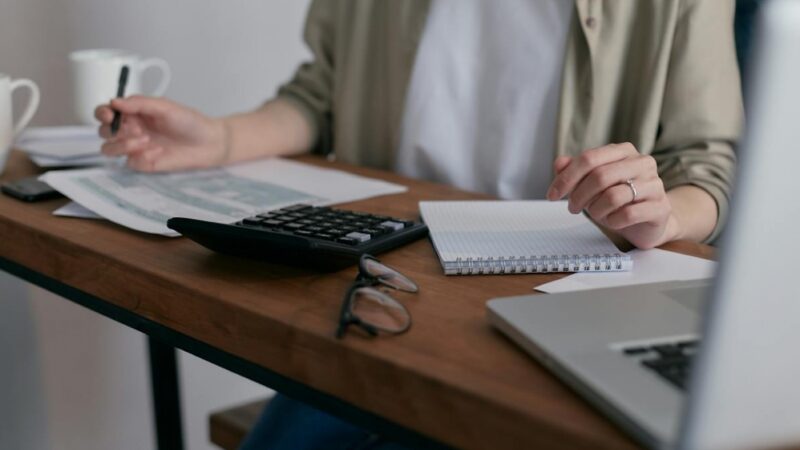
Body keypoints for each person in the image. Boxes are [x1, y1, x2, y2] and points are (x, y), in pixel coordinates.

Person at [95, 1, 742, 448]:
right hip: (387, 285)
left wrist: (659, 213)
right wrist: (220, 138)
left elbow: (709, 166)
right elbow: (321, 95)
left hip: (565, 294)